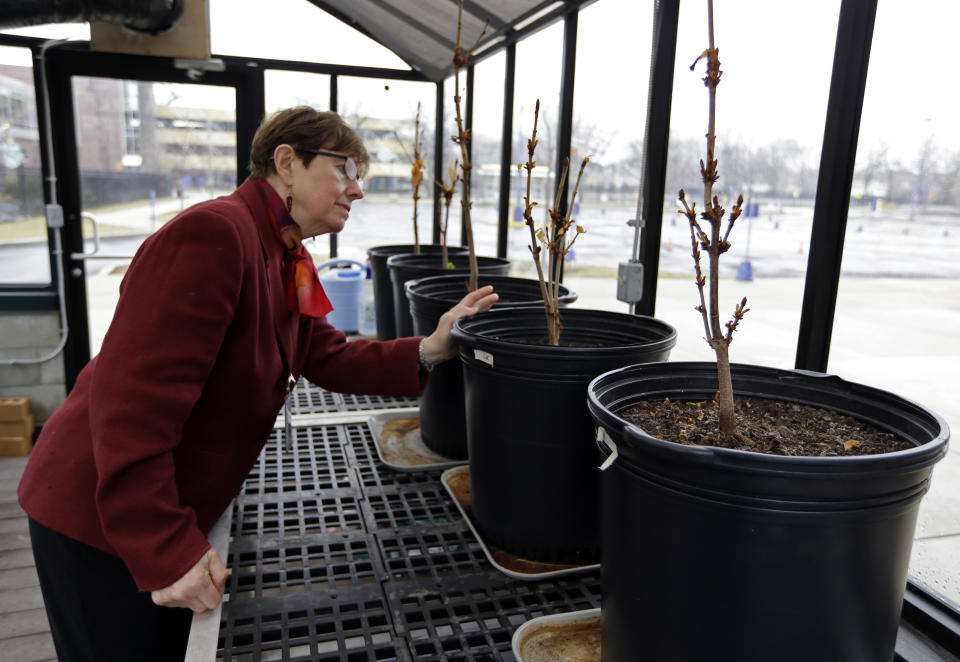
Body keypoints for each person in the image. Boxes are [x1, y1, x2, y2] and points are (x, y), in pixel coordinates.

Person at [17, 106, 497, 662]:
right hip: (101, 519)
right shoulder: (215, 234)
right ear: (287, 163)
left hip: (159, 505)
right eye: (346, 170)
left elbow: (325, 354)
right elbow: (131, 409)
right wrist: (167, 548)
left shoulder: (284, 247)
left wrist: (430, 348)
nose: (357, 190)